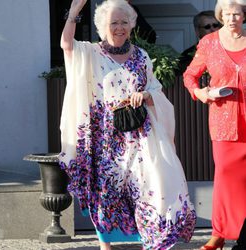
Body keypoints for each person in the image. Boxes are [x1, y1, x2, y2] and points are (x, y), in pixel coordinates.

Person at [59, 0, 196, 249]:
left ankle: (149, 237)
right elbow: (67, 45)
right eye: (113, 22)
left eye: (124, 22)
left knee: (148, 184)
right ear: (102, 26)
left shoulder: (142, 56)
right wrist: (75, 13)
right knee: (106, 189)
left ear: (132, 25)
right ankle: (106, 244)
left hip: (139, 134)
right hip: (104, 136)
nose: (119, 27)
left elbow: (155, 89)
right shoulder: (91, 53)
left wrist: (145, 95)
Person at [183, 0, 246, 249]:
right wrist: (201, 93)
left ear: (244, 16)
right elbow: (190, 75)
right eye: (227, 14)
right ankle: (219, 233)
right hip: (224, 121)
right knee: (225, 178)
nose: (232, 19)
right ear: (221, 15)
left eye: (237, 14)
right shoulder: (209, 43)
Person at [177, 10, 221, 75]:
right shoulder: (186, 57)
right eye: (207, 27)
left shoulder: (230, 49)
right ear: (197, 31)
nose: (212, 30)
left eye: (215, 25)